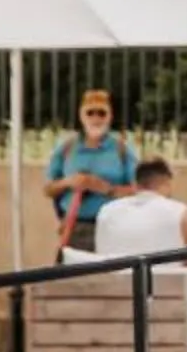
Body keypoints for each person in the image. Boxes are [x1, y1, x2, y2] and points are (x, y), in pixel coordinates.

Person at [43, 90, 137, 257]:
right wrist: (69, 182)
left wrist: (105, 188)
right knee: (73, 280)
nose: (96, 118)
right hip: (75, 227)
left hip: (113, 227)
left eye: (101, 113)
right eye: (90, 113)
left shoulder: (122, 149)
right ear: (82, 116)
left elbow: (139, 190)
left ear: (110, 116)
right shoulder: (67, 147)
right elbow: (48, 189)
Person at [91, 157, 187, 267]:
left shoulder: (106, 212)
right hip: (167, 287)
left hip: (115, 287)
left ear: (135, 184)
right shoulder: (184, 215)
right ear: (167, 183)